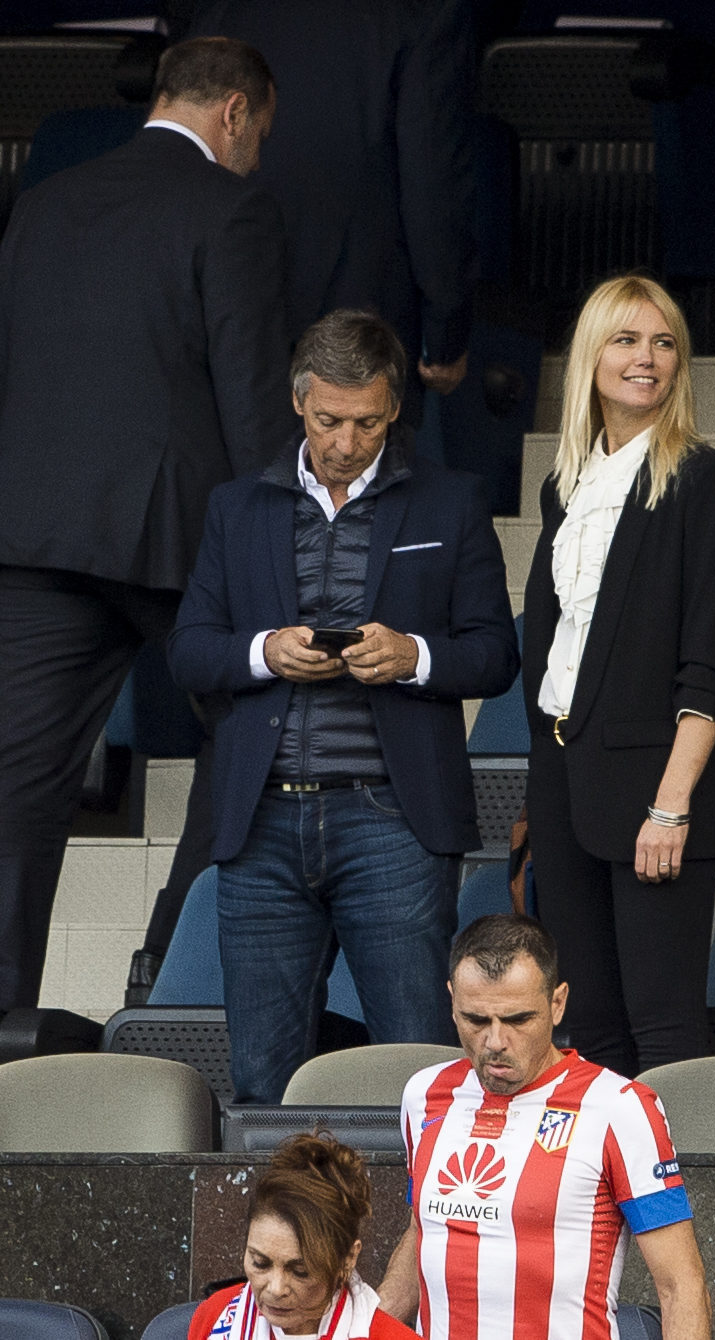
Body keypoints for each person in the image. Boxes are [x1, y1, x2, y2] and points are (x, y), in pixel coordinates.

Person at [0, 37, 294, 1014]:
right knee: (259, 723)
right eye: (261, 132)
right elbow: (254, 400)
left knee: (19, 788)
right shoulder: (233, 206)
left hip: (35, 532)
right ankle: (169, 973)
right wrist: (279, 552)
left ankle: (4, 1016)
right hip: (177, 531)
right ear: (236, 114)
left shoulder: (40, 207)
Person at [167, 309, 520, 1104]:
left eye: (365, 422)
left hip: (391, 818)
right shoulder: (237, 506)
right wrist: (265, 651)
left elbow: (495, 653)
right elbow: (188, 649)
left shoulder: (449, 502)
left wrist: (411, 656)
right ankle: (286, 1232)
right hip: (260, 822)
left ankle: (419, 1229)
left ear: (394, 408)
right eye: (328, 420)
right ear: (299, 402)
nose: (345, 442)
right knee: (262, 1078)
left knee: (418, 1070)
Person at [520, 274, 715, 1076]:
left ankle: (668, 1203)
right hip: (564, 777)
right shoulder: (566, 486)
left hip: (655, 790)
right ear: (590, 357)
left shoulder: (707, 482)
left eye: (662, 343)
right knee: (588, 1024)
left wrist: (670, 804)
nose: (646, 359)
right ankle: (611, 1203)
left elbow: (712, 665)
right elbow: (556, 654)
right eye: (625, 340)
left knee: (661, 1026)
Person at [378, 913, 712, 1340]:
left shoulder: (620, 1107)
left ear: (557, 1004)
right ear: (451, 1001)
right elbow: (423, 1231)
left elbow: (680, 1287)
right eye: (476, 1020)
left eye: (518, 1020)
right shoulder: (424, 1093)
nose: (495, 1041)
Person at [187, 0, 476, 424]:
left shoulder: (224, 9)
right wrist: (446, 337)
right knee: (360, 480)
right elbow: (432, 179)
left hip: (233, 302)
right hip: (363, 313)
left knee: (243, 483)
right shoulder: (422, 11)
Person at [188, 1132, 418, 1340]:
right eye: (260, 1263)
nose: (276, 1289)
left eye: (301, 1271)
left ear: (348, 1257)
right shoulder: (216, 1316)